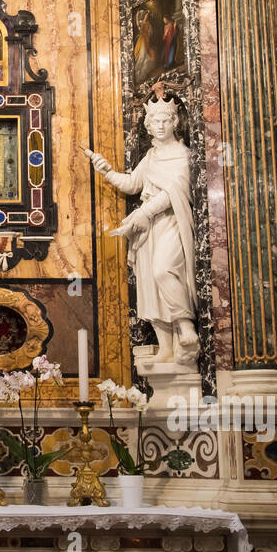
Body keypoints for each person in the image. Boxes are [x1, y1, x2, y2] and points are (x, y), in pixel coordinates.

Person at [85, 95, 197, 366]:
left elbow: (175, 192)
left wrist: (143, 213)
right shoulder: (151, 156)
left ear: (174, 123)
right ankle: (165, 346)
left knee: (163, 270)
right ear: (148, 125)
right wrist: (107, 171)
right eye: (155, 121)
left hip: (170, 220)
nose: (160, 126)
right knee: (148, 281)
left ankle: (186, 327)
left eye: (165, 120)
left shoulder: (183, 155)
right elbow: (134, 183)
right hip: (147, 227)